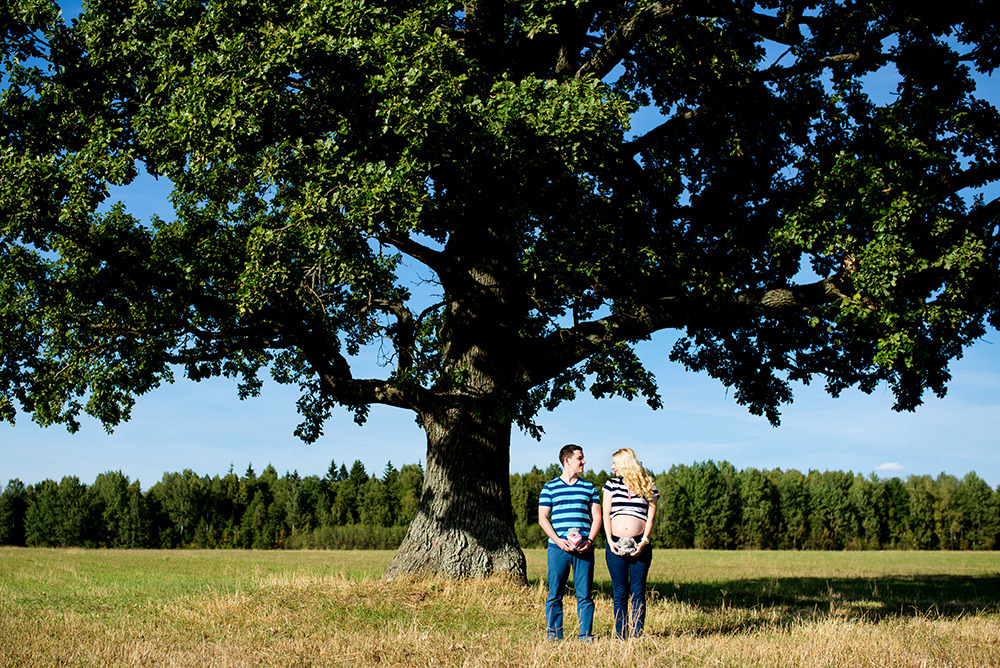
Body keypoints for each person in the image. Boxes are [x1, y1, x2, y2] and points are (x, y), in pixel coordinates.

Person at [538, 443, 602, 641]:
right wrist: (558, 541)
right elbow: (542, 518)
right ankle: (554, 635)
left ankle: (585, 635)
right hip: (558, 549)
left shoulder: (589, 487)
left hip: (584, 548)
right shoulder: (550, 487)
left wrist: (590, 541)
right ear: (567, 460)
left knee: (585, 594)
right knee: (555, 593)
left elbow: (597, 517)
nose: (584, 462)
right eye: (580, 458)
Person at [602, 447, 659, 639]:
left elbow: (650, 518)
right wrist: (610, 541)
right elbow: (606, 515)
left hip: (639, 544)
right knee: (619, 591)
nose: (612, 468)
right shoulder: (611, 485)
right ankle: (621, 634)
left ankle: (637, 634)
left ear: (625, 464)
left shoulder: (648, 485)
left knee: (638, 591)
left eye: (615, 463)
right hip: (616, 544)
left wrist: (643, 541)